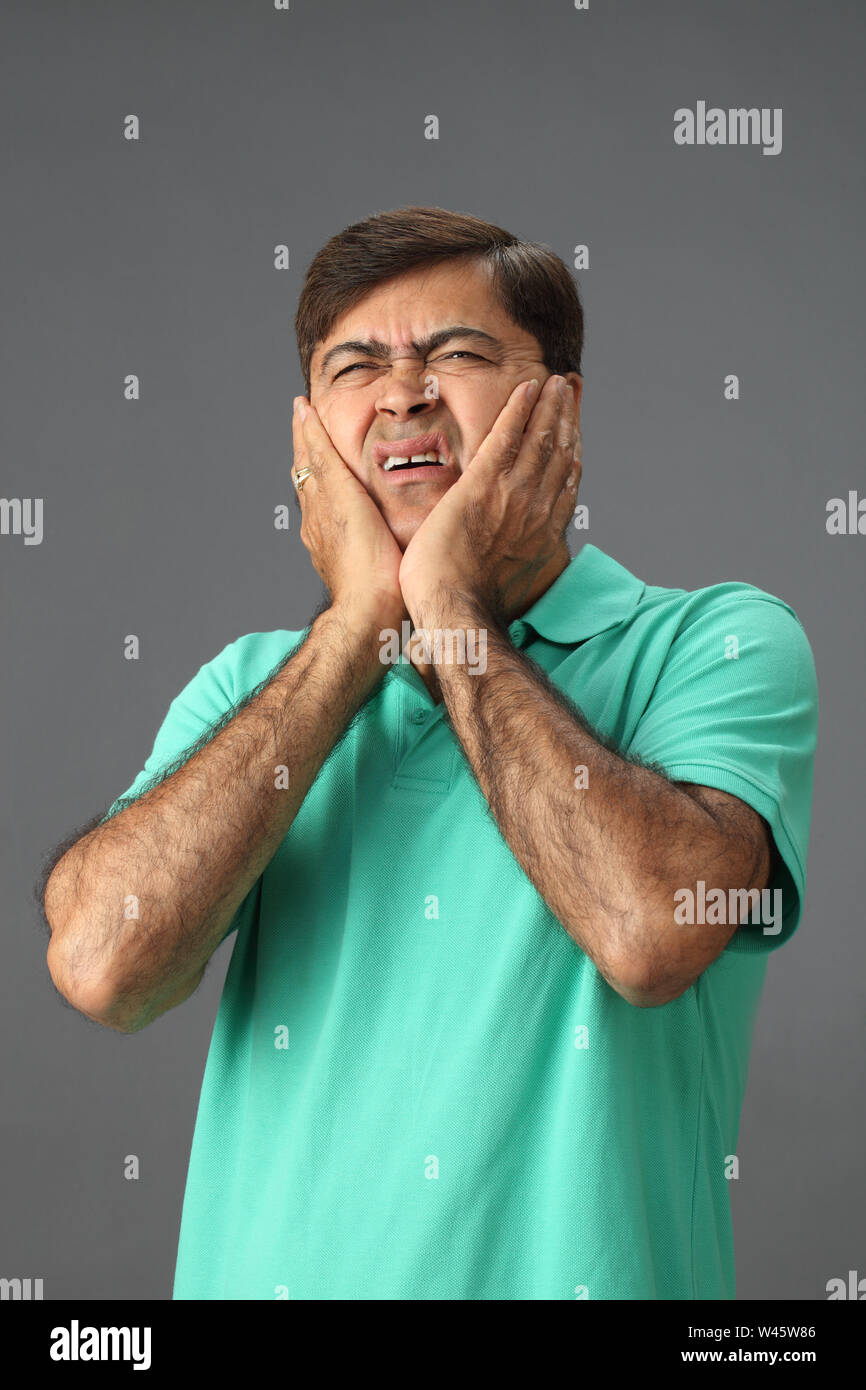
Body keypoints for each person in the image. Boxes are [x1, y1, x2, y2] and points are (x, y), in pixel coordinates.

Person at [42, 205, 818, 1300]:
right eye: (356, 365)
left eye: (454, 353)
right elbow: (101, 965)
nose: (403, 392)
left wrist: (448, 614)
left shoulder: (715, 645)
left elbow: (649, 934)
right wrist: (355, 634)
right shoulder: (254, 688)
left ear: (562, 408)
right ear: (310, 436)